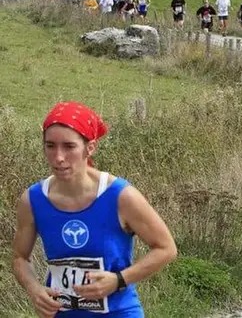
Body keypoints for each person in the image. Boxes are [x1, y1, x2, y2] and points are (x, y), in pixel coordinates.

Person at [11, 102, 177, 317]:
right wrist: (34, 291)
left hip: (119, 312)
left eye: (69, 147)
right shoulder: (33, 200)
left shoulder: (120, 196)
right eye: (50, 146)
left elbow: (166, 248)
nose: (59, 157)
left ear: (90, 148)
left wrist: (118, 280)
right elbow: (19, 257)